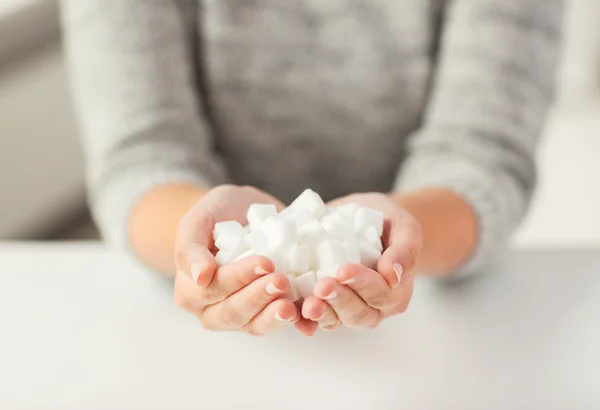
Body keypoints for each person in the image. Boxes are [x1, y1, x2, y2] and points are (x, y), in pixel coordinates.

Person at [60, 0, 563, 337]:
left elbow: (482, 155)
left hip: (442, 322)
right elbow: (141, 153)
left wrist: (401, 243)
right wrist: (199, 247)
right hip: (179, 335)